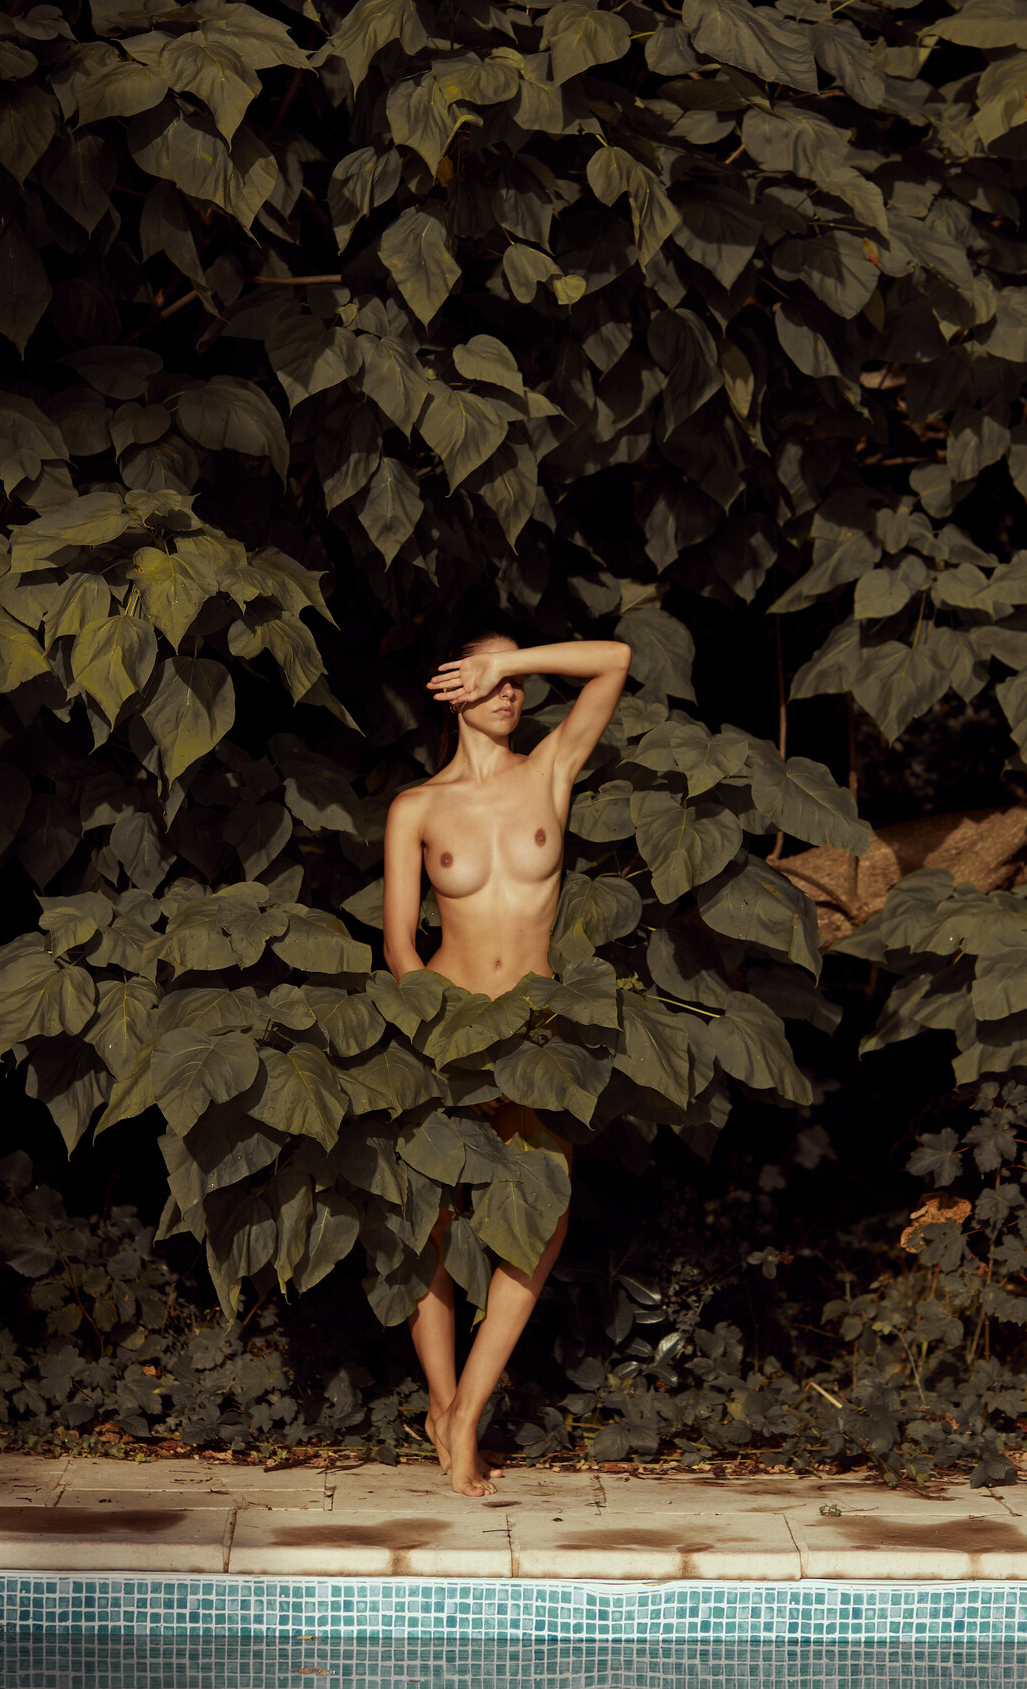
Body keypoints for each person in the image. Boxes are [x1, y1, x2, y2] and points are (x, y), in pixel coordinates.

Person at [381, 626, 632, 1497]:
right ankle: (442, 1404)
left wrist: (509, 661)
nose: (507, 694)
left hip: (533, 1034)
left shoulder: (549, 771)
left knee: (539, 1220)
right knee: (432, 1222)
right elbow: (399, 945)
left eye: (513, 681)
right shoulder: (416, 807)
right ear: (451, 691)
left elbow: (614, 661)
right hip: (445, 1033)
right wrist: (435, 1033)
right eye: (486, 680)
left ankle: (467, 1412)